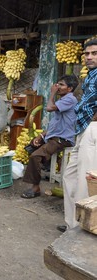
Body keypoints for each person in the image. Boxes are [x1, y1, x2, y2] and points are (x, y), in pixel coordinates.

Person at [59, 39, 97, 232]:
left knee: (84, 181)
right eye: (87, 53)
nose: (89, 57)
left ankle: (81, 228)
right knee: (69, 176)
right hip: (82, 129)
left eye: (94, 53)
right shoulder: (91, 75)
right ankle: (71, 223)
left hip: (93, 130)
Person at [20, 75, 78, 199]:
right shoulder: (62, 101)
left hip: (63, 139)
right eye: (57, 84)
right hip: (55, 137)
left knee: (35, 156)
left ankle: (35, 188)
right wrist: (41, 136)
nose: (57, 87)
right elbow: (56, 125)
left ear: (70, 88)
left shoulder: (70, 99)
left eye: (61, 85)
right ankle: (45, 166)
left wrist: (51, 93)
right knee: (31, 146)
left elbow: (49, 108)